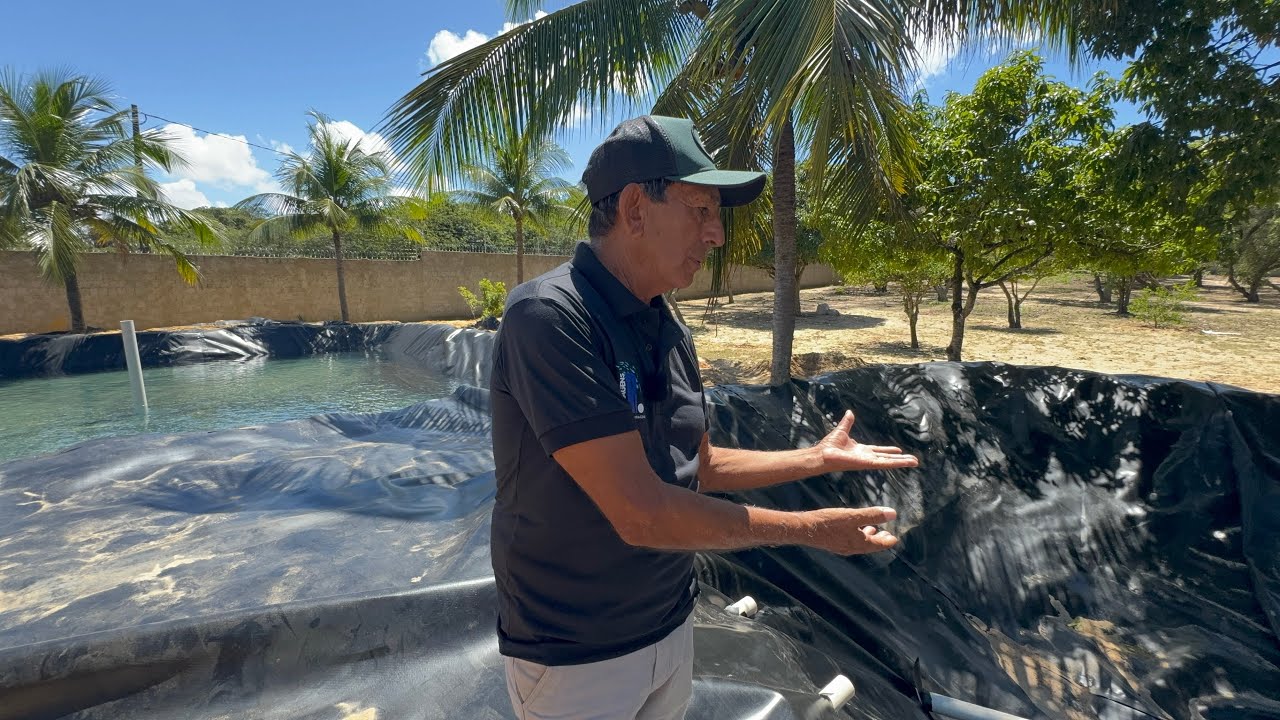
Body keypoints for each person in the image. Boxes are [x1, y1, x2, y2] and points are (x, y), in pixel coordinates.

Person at [489, 115, 920, 720]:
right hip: (577, 654)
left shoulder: (665, 325)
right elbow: (642, 513)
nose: (716, 234)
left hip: (668, 622)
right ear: (637, 208)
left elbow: (701, 463)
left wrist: (814, 458)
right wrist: (812, 531)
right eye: (701, 210)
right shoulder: (552, 319)